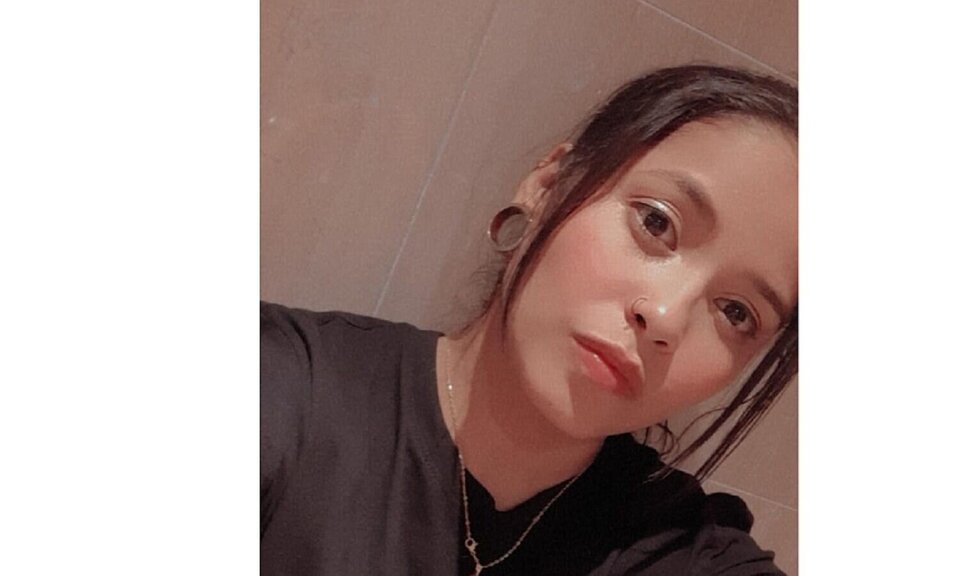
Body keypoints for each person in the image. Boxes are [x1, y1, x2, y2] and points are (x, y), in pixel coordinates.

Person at [261, 64, 798, 575]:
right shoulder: (281, 390)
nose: (663, 316)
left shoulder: (680, 551)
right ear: (548, 185)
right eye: (656, 223)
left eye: (736, 312)